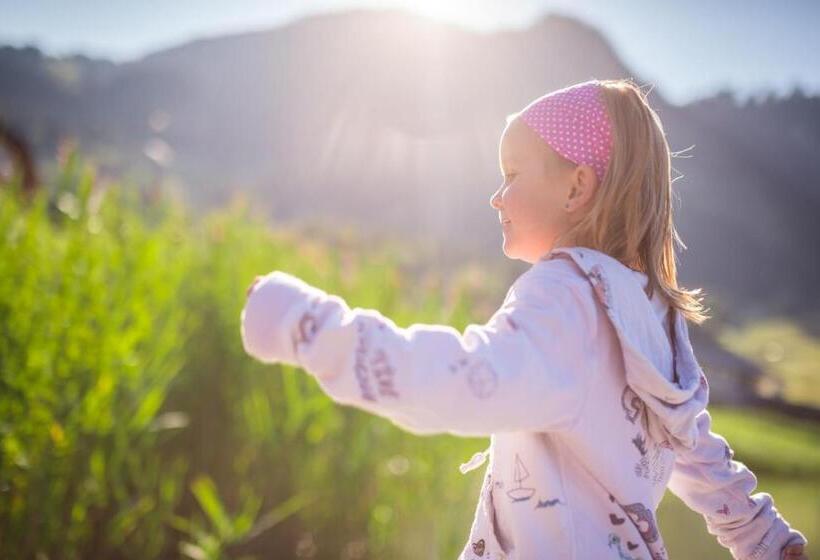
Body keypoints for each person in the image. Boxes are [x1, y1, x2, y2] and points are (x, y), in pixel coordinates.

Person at [240, 79, 809, 560]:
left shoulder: (564, 297)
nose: (496, 196)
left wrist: (302, 323)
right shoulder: (652, 314)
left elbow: (465, 380)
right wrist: (762, 536)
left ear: (577, 186)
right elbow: (694, 448)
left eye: (512, 174)